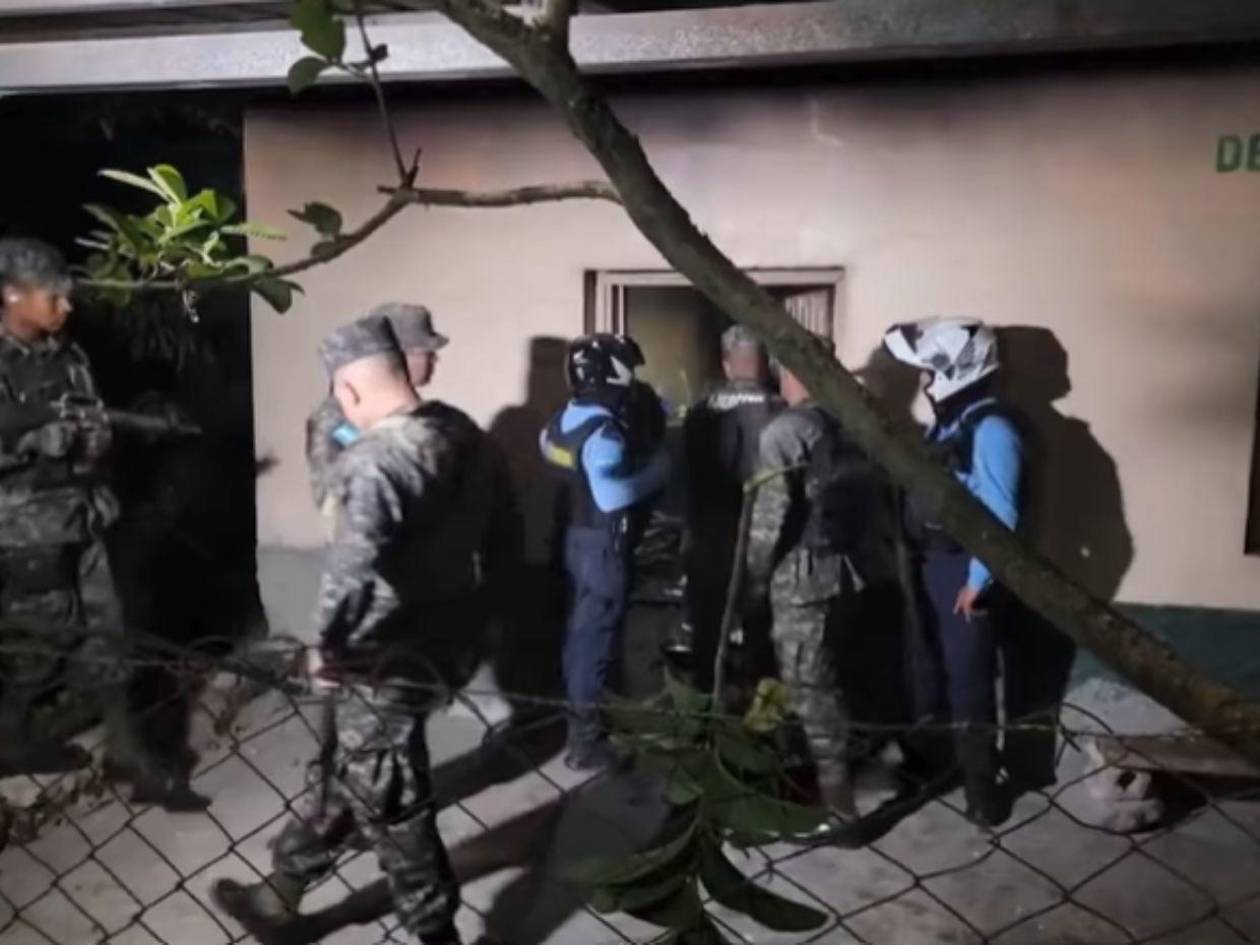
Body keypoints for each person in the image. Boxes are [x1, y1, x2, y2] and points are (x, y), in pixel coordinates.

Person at [213, 315, 518, 944]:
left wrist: (327, 648)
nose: (431, 362)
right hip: (431, 638)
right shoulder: (454, 431)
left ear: (349, 386)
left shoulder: (389, 452)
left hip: (378, 650)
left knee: (392, 797)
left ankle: (435, 931)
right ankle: (281, 891)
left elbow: (352, 560)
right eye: (422, 351)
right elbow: (500, 528)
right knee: (355, 770)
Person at [0, 237, 205, 806]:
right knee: (41, 642)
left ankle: (130, 756)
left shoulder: (67, 355)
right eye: (52, 295)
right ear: (12, 295)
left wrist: (122, 431)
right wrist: (46, 441)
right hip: (24, 528)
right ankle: (12, 738)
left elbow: (91, 417)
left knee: (112, 637)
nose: (66, 305)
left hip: (84, 513)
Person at [884, 316, 1023, 826]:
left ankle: (981, 789)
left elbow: (1000, 515)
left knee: (969, 683)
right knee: (929, 673)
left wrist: (978, 582)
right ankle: (938, 766)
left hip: (963, 571)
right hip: (931, 564)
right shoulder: (952, 424)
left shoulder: (992, 429)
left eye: (930, 372)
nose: (924, 382)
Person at [743, 336, 877, 821]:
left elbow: (771, 519)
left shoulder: (786, 431)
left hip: (801, 581)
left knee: (810, 692)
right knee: (837, 680)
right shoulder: (854, 422)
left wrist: (754, 581)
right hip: (852, 572)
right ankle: (827, 776)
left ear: (788, 370)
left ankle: (839, 809)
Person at [540, 333, 669, 770]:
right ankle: (587, 743)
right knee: (593, 641)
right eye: (628, 368)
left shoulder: (561, 422)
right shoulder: (604, 432)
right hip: (601, 546)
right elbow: (612, 495)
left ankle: (579, 724)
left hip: (573, 539)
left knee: (579, 637)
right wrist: (657, 472)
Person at [681, 324, 783, 689]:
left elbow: (686, 476)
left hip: (710, 537)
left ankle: (707, 701)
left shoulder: (700, 412)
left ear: (727, 365)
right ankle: (760, 703)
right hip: (765, 537)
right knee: (762, 628)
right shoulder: (782, 411)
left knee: (708, 630)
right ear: (764, 364)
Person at [306, 302, 447, 516]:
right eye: (425, 351)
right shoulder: (341, 418)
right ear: (401, 354)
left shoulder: (426, 415)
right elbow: (332, 498)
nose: (434, 358)